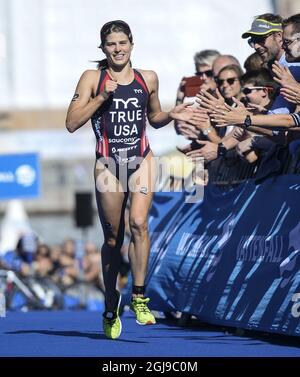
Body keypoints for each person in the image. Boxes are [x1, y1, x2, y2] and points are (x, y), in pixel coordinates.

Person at [65, 20, 194, 339]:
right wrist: (99, 99)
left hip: (142, 159)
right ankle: (111, 301)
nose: (118, 49)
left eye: (123, 43)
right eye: (111, 44)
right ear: (103, 49)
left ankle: (139, 296)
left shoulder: (147, 78)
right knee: (113, 239)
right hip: (108, 164)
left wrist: (172, 114)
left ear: (132, 45)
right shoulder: (93, 78)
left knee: (139, 223)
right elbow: (71, 123)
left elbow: (154, 117)